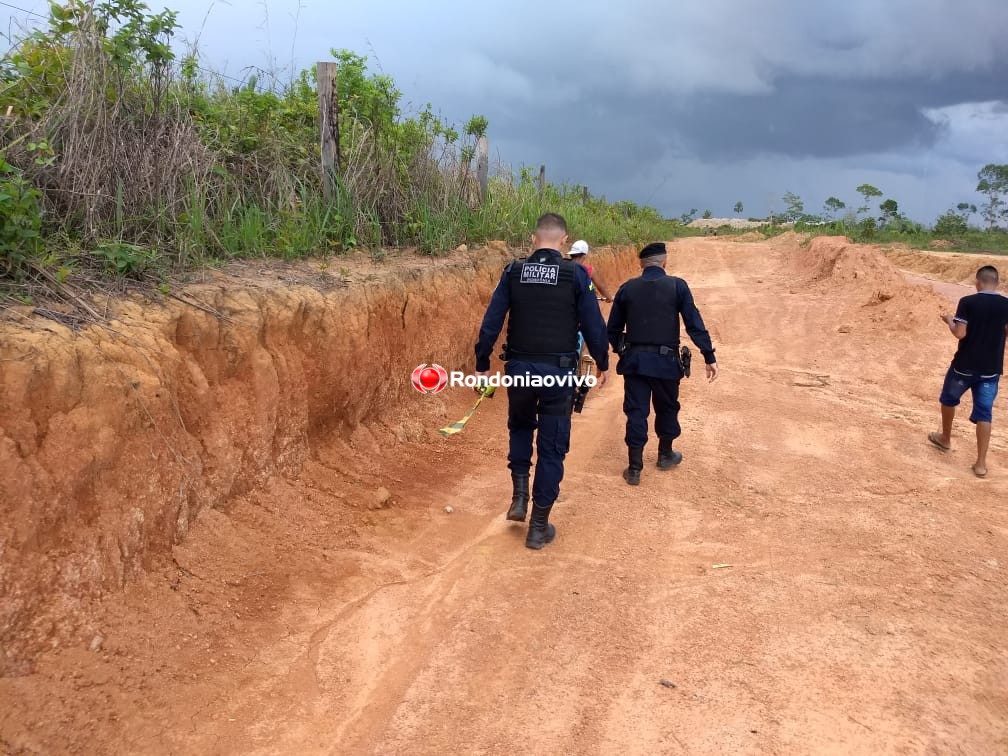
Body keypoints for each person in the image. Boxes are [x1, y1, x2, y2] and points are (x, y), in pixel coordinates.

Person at [474, 213, 610, 549]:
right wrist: (603, 362)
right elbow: (593, 324)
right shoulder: (576, 274)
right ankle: (538, 527)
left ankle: (519, 498)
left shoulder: (514, 271)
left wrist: (481, 364)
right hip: (558, 374)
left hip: (519, 370)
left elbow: (492, 321)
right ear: (564, 242)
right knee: (552, 447)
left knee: (520, 428)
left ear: (534, 240)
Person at [606, 242, 718, 485]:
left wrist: (620, 350)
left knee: (636, 412)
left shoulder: (627, 288)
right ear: (664, 262)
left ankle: (634, 468)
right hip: (666, 362)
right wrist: (709, 355)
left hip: (635, 362)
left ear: (641, 264)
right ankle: (665, 455)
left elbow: (612, 329)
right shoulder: (677, 286)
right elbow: (694, 323)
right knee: (667, 407)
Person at [928, 265, 1008, 477]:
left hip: (964, 367)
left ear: (978, 283)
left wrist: (949, 321)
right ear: (997, 283)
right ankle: (981, 464)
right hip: (990, 369)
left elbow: (960, 334)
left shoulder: (968, 302)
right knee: (985, 413)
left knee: (948, 399)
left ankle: (945, 438)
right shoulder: (1006, 305)